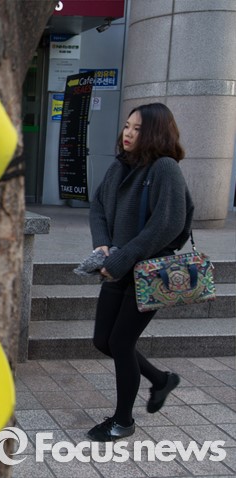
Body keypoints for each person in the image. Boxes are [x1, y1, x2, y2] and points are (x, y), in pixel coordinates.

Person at [85, 103, 194, 442]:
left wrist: (121, 258)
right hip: (118, 268)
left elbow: (166, 225)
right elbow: (98, 205)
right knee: (103, 340)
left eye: (137, 129)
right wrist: (103, 244)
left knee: (121, 342)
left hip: (150, 272)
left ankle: (123, 422)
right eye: (127, 126)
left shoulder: (165, 169)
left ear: (155, 133)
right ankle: (161, 380)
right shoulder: (121, 165)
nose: (128, 134)